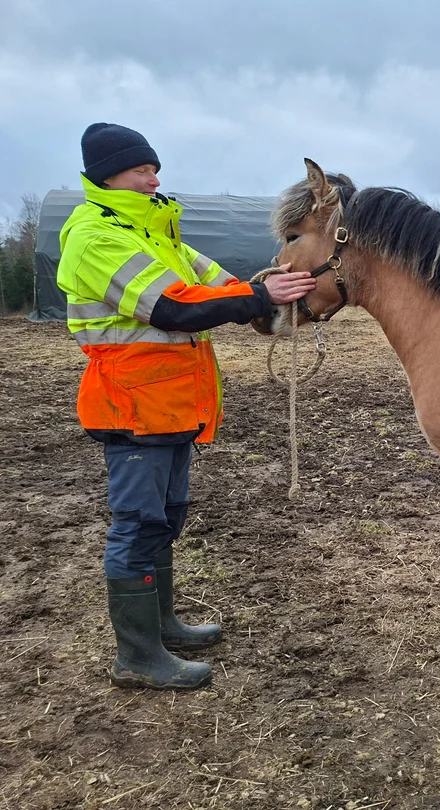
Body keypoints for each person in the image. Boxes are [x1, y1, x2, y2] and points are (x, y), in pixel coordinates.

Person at [56, 123, 316, 690]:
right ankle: (138, 654)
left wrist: (263, 296)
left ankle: (163, 621)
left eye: (154, 169)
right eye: (139, 170)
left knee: (166, 516)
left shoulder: (157, 232)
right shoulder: (95, 236)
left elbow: (216, 283)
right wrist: (255, 298)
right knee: (137, 525)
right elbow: (171, 308)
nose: (153, 178)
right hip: (131, 405)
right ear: (107, 176)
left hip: (171, 404)